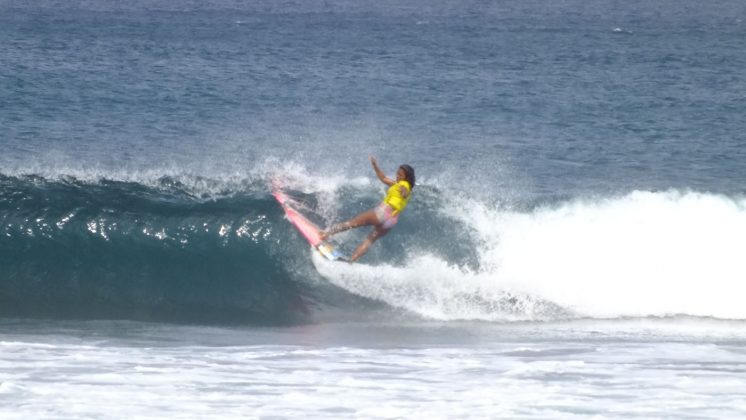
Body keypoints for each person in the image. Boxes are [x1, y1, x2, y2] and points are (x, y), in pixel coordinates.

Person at [320, 156, 415, 262]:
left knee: (352, 223)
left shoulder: (404, 185)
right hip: (391, 220)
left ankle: (325, 234)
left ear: (407, 178)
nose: (397, 176)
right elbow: (383, 178)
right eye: (397, 173)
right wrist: (375, 166)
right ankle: (352, 260)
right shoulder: (398, 185)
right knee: (369, 240)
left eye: (400, 175)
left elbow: (404, 190)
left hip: (383, 212)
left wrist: (404, 191)